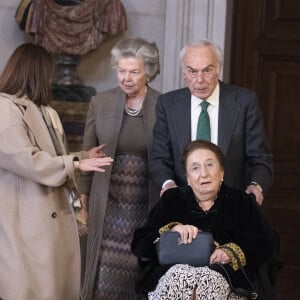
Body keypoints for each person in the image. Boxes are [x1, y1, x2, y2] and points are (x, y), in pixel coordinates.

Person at [0, 43, 113, 300]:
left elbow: (53, 155)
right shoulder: (4, 108)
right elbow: (27, 160)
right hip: (26, 224)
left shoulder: (45, 111)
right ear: (36, 72)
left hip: (47, 222)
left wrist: (83, 157)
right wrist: (76, 164)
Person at [132, 140, 279, 299]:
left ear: (221, 172)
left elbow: (268, 242)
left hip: (227, 277)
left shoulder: (240, 201)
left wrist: (231, 252)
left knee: (206, 282)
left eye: (210, 165)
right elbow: (140, 243)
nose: (203, 174)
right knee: (179, 279)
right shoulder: (172, 200)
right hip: (172, 274)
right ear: (188, 177)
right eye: (195, 168)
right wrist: (172, 230)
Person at [77, 37, 161, 299]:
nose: (126, 78)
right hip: (107, 205)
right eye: (121, 71)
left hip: (145, 205)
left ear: (148, 71)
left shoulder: (165, 104)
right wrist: (83, 206)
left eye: (134, 72)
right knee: (102, 277)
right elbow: (86, 158)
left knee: (139, 272)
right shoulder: (99, 103)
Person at [149, 40, 273, 205]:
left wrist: (256, 185)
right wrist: (168, 184)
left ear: (219, 68)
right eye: (192, 71)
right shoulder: (168, 104)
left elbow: (260, 158)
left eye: (207, 70)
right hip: (182, 203)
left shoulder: (244, 102)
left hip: (232, 204)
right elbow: (159, 157)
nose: (199, 79)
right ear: (184, 72)